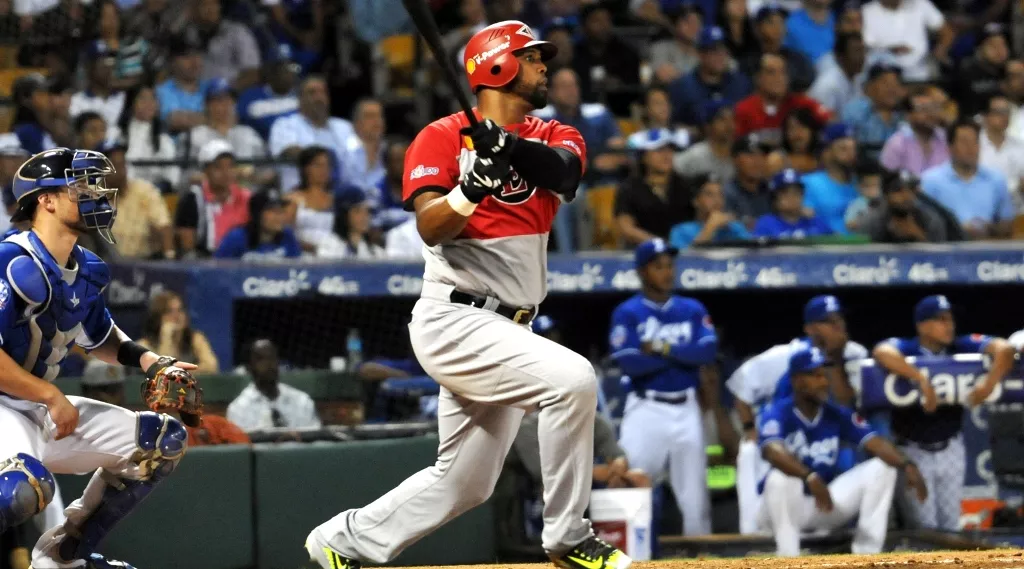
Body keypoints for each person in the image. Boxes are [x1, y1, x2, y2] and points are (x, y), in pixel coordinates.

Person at [304, 21, 631, 569]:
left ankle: (341, 541)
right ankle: (569, 537)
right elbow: (432, 228)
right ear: (497, 66)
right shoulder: (439, 137)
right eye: (531, 58)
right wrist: (472, 186)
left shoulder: (555, 134)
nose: (544, 66)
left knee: (464, 483)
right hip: (455, 318)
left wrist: (507, 148)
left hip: (511, 326)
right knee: (573, 380)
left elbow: (564, 173)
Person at [0, 147, 199, 569]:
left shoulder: (88, 267)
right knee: (19, 492)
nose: (95, 196)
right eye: (79, 187)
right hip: (5, 407)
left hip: (41, 409)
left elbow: (99, 334)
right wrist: (51, 396)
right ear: (46, 200)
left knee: (160, 443)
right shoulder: (12, 261)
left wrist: (150, 361)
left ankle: (63, 558)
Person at [756, 346, 928, 556]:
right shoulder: (778, 412)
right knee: (780, 479)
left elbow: (876, 443)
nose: (824, 382)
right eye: (815, 376)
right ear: (797, 381)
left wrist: (907, 464)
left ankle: (866, 554)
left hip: (823, 502)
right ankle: (789, 558)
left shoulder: (836, 414)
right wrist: (809, 476)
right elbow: (771, 451)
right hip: (782, 511)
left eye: (824, 375)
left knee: (884, 468)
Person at [871, 295, 1016, 530]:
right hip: (912, 449)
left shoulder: (959, 346)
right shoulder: (908, 348)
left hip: (951, 446)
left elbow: (1005, 349)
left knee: (950, 524)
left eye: (950, 319)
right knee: (923, 525)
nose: (949, 325)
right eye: (940, 319)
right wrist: (920, 378)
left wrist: (989, 382)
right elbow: (881, 351)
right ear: (922, 326)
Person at [727, 295, 870, 533]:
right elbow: (740, 389)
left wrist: (834, 359)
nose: (838, 326)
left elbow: (846, 403)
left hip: (828, 439)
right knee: (760, 473)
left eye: (840, 319)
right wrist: (749, 428)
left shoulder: (855, 354)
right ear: (810, 328)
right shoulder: (784, 355)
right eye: (828, 321)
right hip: (786, 439)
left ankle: (845, 538)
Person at [610, 238, 717, 536]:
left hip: (687, 408)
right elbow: (631, 364)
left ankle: (702, 562)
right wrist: (683, 357)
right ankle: (631, 557)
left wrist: (660, 348)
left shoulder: (692, 308)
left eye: (670, 265)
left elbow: (706, 354)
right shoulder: (628, 312)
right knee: (633, 485)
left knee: (695, 496)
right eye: (659, 267)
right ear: (643, 272)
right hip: (646, 409)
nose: (668, 272)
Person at [921, 120, 1014, 239]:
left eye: (975, 142)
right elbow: (924, 224)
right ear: (950, 147)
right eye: (964, 142)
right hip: (946, 249)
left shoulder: (996, 179)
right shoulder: (930, 181)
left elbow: (1007, 223)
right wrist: (958, 230)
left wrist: (989, 228)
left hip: (987, 248)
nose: (971, 148)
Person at [227, 338, 321, 431]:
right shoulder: (238, 409)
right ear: (248, 367)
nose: (269, 364)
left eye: (272, 357)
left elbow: (316, 441)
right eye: (260, 359)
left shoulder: (302, 401)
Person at [138, 291, 220, 374]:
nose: (177, 316)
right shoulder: (144, 346)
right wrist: (166, 337)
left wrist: (180, 372)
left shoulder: (194, 338)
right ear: (158, 318)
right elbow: (163, 373)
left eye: (180, 310)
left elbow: (211, 366)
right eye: (169, 311)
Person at [861, 170, 948, 243]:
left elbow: (941, 258)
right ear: (886, 194)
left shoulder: (930, 219)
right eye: (898, 190)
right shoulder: (872, 220)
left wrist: (918, 235)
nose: (907, 196)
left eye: (911, 189)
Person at [215, 188, 302, 261]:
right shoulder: (237, 238)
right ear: (257, 214)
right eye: (273, 211)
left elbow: (298, 270)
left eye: (281, 211)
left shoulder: (287, 236)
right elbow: (218, 271)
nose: (279, 217)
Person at [669, 173, 751, 248]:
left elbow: (753, 255)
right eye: (709, 194)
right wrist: (710, 228)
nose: (717, 200)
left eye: (720, 194)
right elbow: (683, 261)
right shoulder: (681, 231)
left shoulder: (735, 227)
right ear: (695, 201)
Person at [753, 169, 831, 239]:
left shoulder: (815, 222)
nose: (792, 198)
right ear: (774, 198)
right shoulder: (766, 224)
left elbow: (837, 243)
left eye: (796, 193)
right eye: (785, 193)